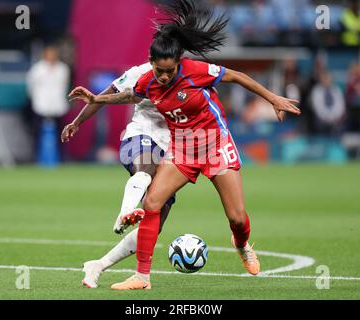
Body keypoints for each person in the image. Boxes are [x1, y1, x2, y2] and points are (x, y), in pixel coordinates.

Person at [68, 0, 301, 290]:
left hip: (215, 144)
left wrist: (274, 98)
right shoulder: (147, 80)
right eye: (159, 71)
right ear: (152, 64)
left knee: (237, 218)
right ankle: (142, 276)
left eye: (170, 71)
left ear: (179, 63)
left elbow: (237, 77)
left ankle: (241, 245)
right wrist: (96, 99)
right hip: (182, 148)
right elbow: (129, 95)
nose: (164, 77)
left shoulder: (196, 70)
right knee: (153, 202)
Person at [61, 63, 175, 288]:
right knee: (146, 168)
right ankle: (125, 212)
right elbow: (103, 96)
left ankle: (98, 265)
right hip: (140, 135)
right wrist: (77, 122)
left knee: (154, 224)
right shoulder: (138, 73)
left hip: (170, 149)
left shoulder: (188, 73)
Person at [27, 45, 70, 162]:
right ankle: (37, 158)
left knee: (62, 134)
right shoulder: (37, 69)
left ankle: (61, 159)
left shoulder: (63, 69)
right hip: (41, 106)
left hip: (58, 106)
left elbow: (64, 87)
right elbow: (31, 87)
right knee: (37, 134)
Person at [310, 72, 346, 137]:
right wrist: (328, 118)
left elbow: (340, 106)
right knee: (319, 124)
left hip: (335, 120)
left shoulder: (336, 90)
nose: (326, 81)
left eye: (327, 79)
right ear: (321, 80)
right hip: (322, 120)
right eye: (324, 79)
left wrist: (334, 117)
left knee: (340, 126)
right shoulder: (316, 91)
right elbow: (318, 108)